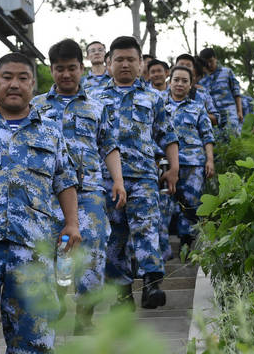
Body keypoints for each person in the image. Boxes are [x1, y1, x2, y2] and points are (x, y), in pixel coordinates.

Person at [0, 52, 81, 353]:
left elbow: (65, 180)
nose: (14, 84)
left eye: (22, 78)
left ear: (33, 84)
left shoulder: (50, 132)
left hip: (33, 247)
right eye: (7, 77)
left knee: (34, 336)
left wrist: (72, 223)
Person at [31, 38, 127, 335]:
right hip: (45, 196)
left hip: (88, 193)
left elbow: (108, 146)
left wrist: (119, 181)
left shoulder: (97, 107)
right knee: (48, 253)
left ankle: (84, 317)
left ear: (82, 68)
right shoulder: (36, 107)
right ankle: (56, 298)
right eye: (59, 69)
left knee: (94, 249)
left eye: (72, 68)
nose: (66, 75)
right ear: (51, 70)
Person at [89, 36, 179, 310]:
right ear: (108, 63)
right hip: (105, 180)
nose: (125, 64)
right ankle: (122, 293)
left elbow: (168, 134)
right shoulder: (94, 98)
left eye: (131, 59)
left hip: (143, 177)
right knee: (114, 237)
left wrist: (174, 168)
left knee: (147, 228)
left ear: (141, 64)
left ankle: (152, 284)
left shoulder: (153, 97)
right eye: (119, 59)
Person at [165, 66, 215, 248]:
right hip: (165, 164)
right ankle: (163, 251)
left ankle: (187, 246)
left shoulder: (197, 107)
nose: (179, 84)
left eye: (184, 81)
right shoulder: (158, 104)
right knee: (166, 205)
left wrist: (210, 160)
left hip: (193, 163)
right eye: (176, 80)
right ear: (169, 82)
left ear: (191, 84)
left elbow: (207, 136)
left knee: (191, 206)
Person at [198, 48, 243, 140]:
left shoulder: (227, 72)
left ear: (215, 58)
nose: (209, 65)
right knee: (217, 139)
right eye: (207, 63)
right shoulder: (200, 79)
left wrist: (239, 111)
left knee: (233, 135)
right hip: (213, 115)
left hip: (229, 111)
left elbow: (236, 92)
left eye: (211, 61)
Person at [175, 54, 220, 126]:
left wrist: (197, 112)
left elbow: (216, 119)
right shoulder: (163, 93)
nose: (184, 68)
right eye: (181, 64)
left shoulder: (202, 93)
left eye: (188, 65)